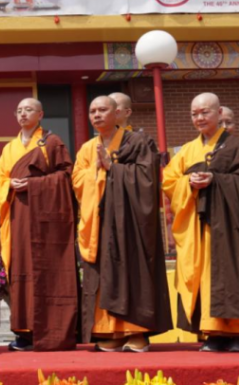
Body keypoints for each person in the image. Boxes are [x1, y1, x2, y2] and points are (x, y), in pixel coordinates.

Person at [163, 93, 239, 353]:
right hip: (201, 231)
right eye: (194, 114)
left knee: (236, 275)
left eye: (205, 112)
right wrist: (187, 183)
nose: (199, 118)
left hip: (234, 230)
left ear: (218, 112)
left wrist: (218, 180)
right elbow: (169, 182)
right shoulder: (187, 151)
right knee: (206, 279)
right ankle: (213, 333)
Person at [72, 96, 172, 352]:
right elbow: (77, 181)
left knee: (131, 272)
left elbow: (147, 178)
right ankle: (110, 331)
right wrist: (97, 171)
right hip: (100, 222)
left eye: (102, 110)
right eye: (92, 110)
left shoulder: (139, 142)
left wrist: (111, 169)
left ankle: (136, 331)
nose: (96, 115)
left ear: (117, 113)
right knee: (104, 275)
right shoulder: (86, 148)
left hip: (130, 223)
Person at [0, 98, 78, 352]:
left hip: (45, 219)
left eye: (28, 109)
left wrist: (34, 184)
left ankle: (49, 331)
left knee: (45, 272)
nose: (22, 114)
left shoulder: (51, 143)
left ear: (40, 114)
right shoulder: (9, 147)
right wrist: (9, 185)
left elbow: (65, 176)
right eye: (18, 110)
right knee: (20, 271)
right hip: (18, 215)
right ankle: (23, 332)